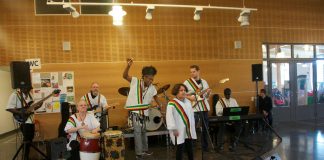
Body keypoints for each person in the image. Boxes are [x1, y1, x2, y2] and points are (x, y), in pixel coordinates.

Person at [123, 58, 162, 159]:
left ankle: (144, 150)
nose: (151, 81)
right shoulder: (135, 81)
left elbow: (156, 96)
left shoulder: (152, 87)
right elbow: (125, 76)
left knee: (144, 131)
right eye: (149, 78)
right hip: (135, 113)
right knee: (137, 132)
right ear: (144, 77)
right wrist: (128, 65)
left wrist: (160, 105)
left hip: (145, 113)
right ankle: (138, 153)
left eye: (152, 79)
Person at [6, 87, 43, 160]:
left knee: (30, 137)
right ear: (21, 87)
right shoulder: (15, 95)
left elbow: (31, 109)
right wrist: (21, 112)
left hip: (31, 120)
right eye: (26, 88)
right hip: (23, 120)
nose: (27, 90)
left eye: (29, 89)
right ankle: (25, 156)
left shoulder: (30, 94)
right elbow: (9, 108)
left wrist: (39, 106)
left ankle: (27, 154)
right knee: (27, 138)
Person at [183, 65, 211, 151]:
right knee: (192, 128)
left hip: (204, 107)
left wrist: (208, 93)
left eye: (194, 71)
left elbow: (206, 96)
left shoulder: (204, 82)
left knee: (205, 128)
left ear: (198, 71)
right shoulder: (187, 83)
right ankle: (189, 146)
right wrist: (191, 98)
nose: (192, 73)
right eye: (191, 72)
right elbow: (183, 94)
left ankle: (205, 146)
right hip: (194, 108)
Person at [166, 84, 197, 160]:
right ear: (176, 92)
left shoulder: (188, 102)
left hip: (188, 129)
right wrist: (174, 129)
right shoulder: (171, 103)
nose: (183, 92)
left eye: (184, 90)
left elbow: (191, 115)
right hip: (179, 130)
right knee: (180, 149)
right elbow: (169, 117)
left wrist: (192, 126)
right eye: (181, 90)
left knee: (190, 148)